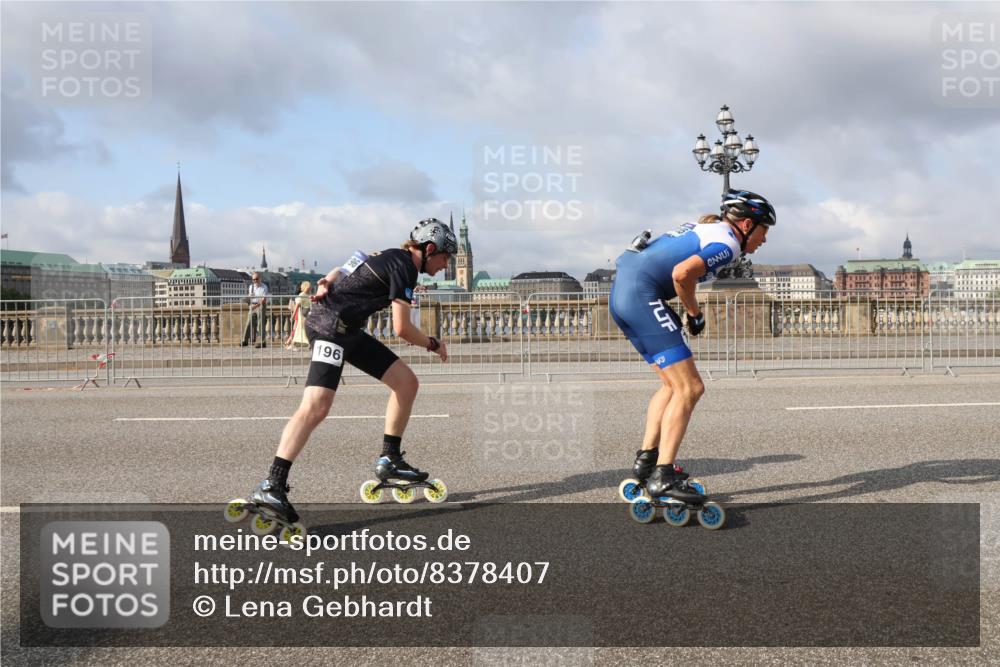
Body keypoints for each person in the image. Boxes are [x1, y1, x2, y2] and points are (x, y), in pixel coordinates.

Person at [248, 219, 456, 523]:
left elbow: (348, 264)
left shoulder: (387, 256)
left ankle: (390, 458)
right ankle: (272, 484)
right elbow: (402, 328)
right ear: (429, 249)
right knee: (316, 406)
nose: (445, 266)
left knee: (406, 383)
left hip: (349, 330)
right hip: (330, 327)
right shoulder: (405, 267)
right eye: (445, 258)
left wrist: (326, 281)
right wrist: (434, 343)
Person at [610, 189, 776, 501]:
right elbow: (682, 273)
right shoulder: (727, 241)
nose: (764, 240)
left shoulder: (704, 228)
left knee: (672, 387)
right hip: (642, 297)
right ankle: (663, 475)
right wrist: (694, 313)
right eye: (764, 231)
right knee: (691, 388)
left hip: (623, 296)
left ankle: (647, 462)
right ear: (747, 225)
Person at [241, 272, 270, 348]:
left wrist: (256, 306)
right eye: (253, 279)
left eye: (256, 279)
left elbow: (263, 300)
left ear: (260, 279)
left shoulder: (264, 287)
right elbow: (250, 297)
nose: (255, 281)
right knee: (248, 323)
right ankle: (245, 340)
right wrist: (250, 301)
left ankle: (262, 342)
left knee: (260, 324)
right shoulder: (251, 287)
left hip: (260, 306)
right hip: (253, 305)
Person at [285, 281, 313, 350]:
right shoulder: (302, 295)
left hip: (306, 315)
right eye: (308, 288)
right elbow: (297, 306)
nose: (310, 289)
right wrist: (293, 315)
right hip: (302, 316)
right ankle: (290, 343)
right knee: (299, 330)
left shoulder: (307, 295)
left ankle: (290, 343)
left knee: (301, 331)